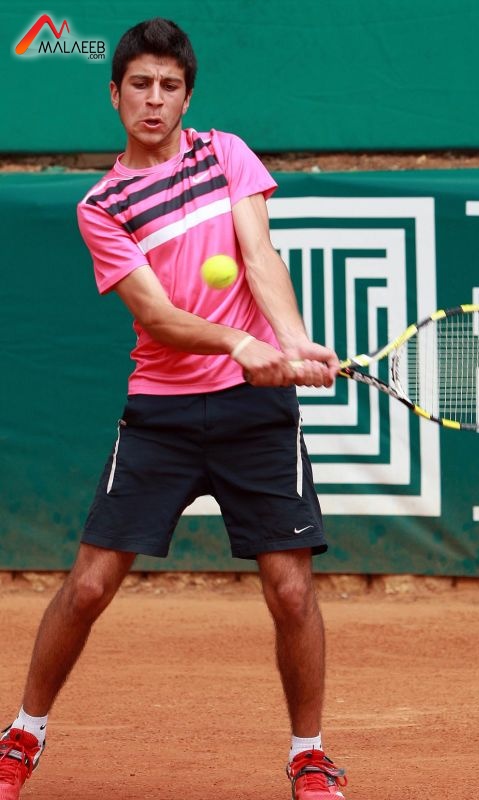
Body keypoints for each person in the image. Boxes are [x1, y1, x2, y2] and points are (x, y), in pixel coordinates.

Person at [0, 18, 348, 800]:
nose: (153, 100)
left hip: (253, 413)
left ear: (187, 97)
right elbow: (156, 316)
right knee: (89, 587)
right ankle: (23, 733)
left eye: (169, 86)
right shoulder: (103, 204)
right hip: (161, 413)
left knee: (292, 590)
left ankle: (309, 753)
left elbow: (259, 257)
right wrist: (240, 343)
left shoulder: (226, 154)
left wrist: (291, 342)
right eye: (140, 85)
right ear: (114, 94)